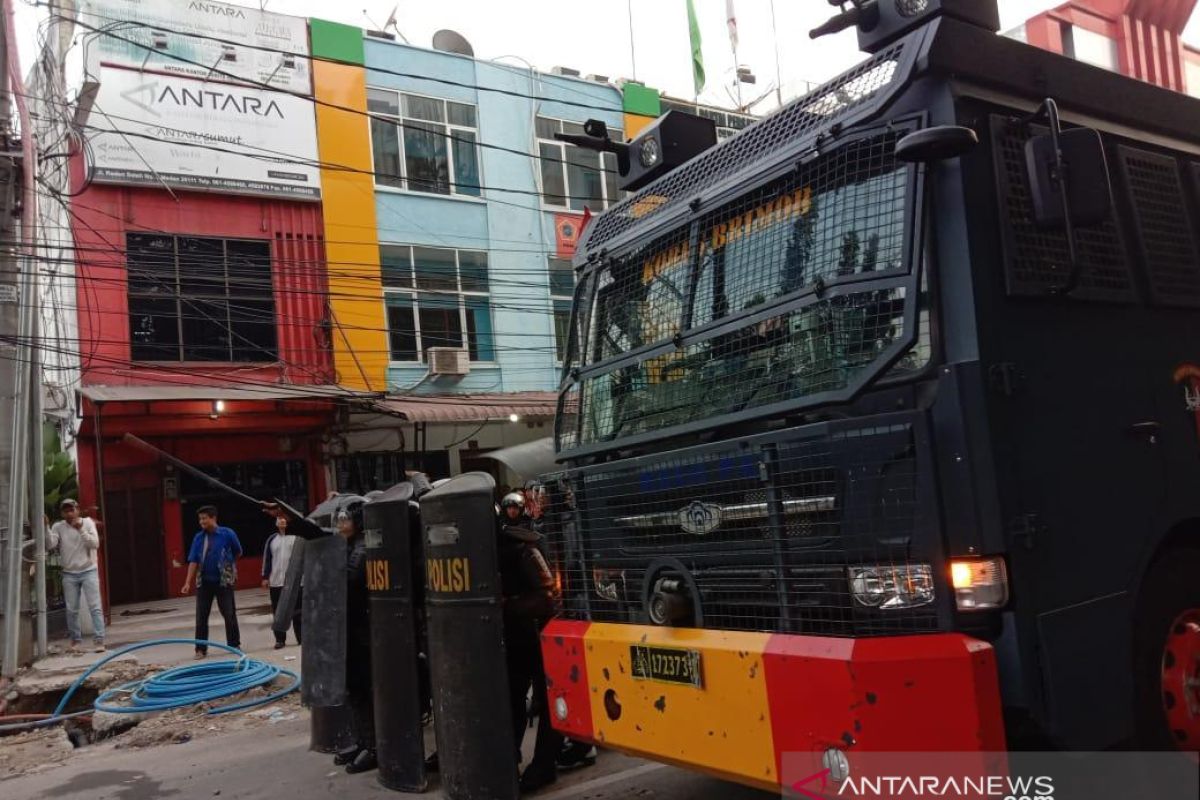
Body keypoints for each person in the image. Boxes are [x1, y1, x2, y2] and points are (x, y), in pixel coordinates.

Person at [497, 502, 563, 793]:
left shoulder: (521, 547)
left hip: (538, 635)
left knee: (547, 703)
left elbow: (546, 597)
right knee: (513, 700)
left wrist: (508, 607)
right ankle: (508, 757)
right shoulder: (493, 546)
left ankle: (544, 766)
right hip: (516, 638)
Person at [333, 500, 378, 775]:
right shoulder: (348, 545)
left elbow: (348, 580)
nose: (340, 524)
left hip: (362, 630)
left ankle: (373, 746)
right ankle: (363, 740)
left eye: (345, 519)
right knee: (355, 691)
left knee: (364, 690)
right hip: (349, 629)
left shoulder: (361, 549)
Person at [181, 505, 243, 659]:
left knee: (229, 614)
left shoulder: (227, 534)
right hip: (204, 583)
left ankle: (234, 644)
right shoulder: (199, 537)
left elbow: (238, 552)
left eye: (204, 518)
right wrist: (187, 582)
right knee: (201, 616)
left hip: (223, 582)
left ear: (213, 518)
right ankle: (200, 649)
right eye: (200, 519)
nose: (201, 521)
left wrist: (230, 567)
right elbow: (193, 561)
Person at [48, 499, 105, 653]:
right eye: (66, 511)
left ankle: (99, 640)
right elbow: (51, 545)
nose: (69, 513)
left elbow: (95, 544)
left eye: (71, 510)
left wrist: (81, 530)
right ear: (62, 513)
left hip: (89, 570)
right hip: (69, 573)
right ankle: (76, 640)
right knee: (72, 609)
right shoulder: (58, 526)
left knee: (95, 607)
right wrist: (45, 527)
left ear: (78, 510)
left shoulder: (87, 523)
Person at [261, 515, 301, 649]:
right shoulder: (272, 540)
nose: (282, 520)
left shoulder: (297, 537)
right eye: (279, 518)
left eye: (285, 518)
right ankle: (280, 640)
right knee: (278, 612)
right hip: (276, 581)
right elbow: (267, 559)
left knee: (298, 611)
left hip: (295, 580)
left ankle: (301, 637)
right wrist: (265, 577)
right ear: (276, 522)